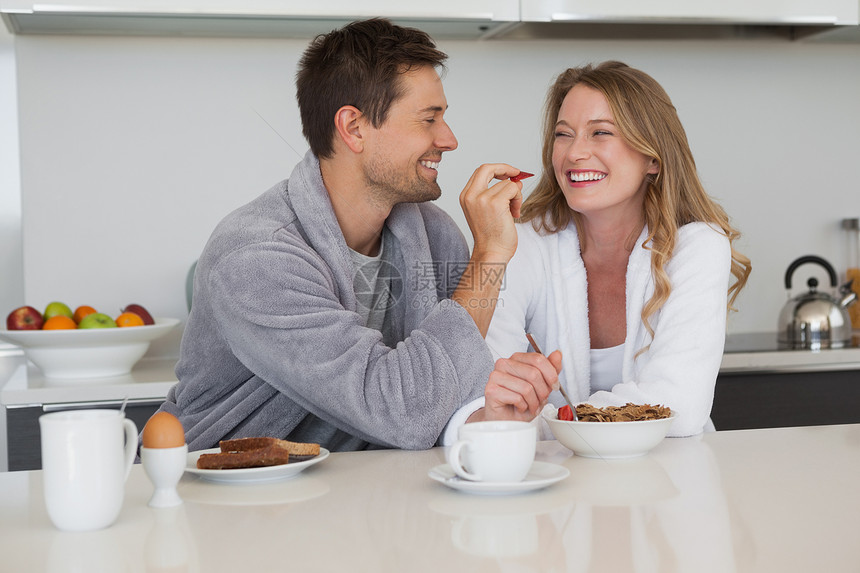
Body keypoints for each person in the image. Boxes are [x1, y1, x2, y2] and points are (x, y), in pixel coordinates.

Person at [155, 18, 542, 453]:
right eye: (428, 119)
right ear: (354, 128)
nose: (448, 140)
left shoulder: (435, 236)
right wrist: (489, 255)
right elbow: (404, 413)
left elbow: (452, 388)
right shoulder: (255, 258)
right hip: (231, 494)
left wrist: (489, 409)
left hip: (375, 492)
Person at [466, 61, 751, 437]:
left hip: (672, 481)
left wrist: (550, 419)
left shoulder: (697, 246)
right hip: (550, 482)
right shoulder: (521, 245)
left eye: (600, 132)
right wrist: (487, 251)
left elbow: (679, 405)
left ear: (653, 157)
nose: (574, 154)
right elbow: (484, 391)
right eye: (563, 135)